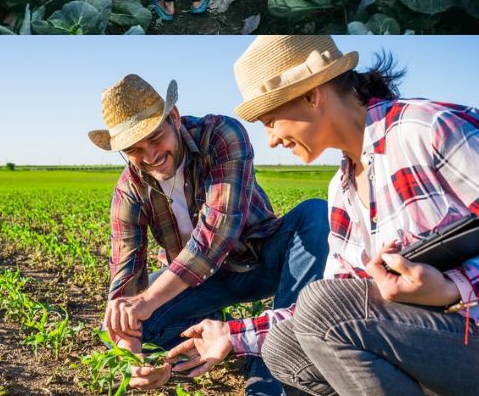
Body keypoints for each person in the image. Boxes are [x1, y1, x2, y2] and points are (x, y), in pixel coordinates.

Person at [160, 36, 479, 396]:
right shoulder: (342, 188)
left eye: (270, 121)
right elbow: (342, 299)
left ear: (312, 94)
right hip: (425, 342)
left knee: (321, 306)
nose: (270, 139)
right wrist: (233, 336)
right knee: (283, 346)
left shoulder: (428, 129)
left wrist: (453, 287)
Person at [87, 73, 329, 395]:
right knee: (117, 326)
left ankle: (270, 377)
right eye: (134, 149)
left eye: (156, 137)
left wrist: (146, 299)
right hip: (203, 284)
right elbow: (126, 277)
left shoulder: (221, 135)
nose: (150, 156)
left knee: (315, 214)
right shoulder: (130, 189)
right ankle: (202, 332)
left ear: (173, 117)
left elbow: (217, 233)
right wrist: (132, 353)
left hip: (260, 260)